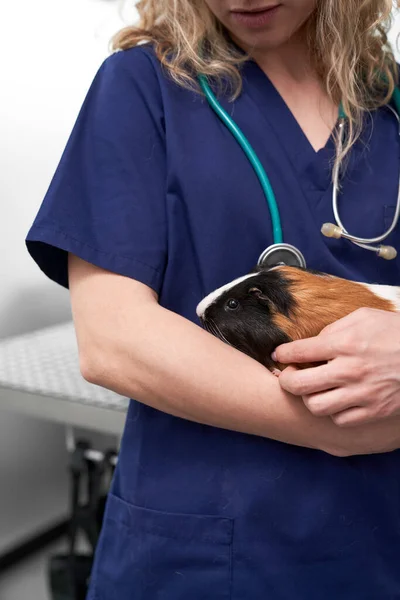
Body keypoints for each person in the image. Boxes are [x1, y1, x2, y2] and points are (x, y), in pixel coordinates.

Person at [25, 0, 400, 597]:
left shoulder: (388, 105)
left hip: (378, 538)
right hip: (203, 551)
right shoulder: (144, 88)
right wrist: (346, 430)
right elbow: (114, 342)